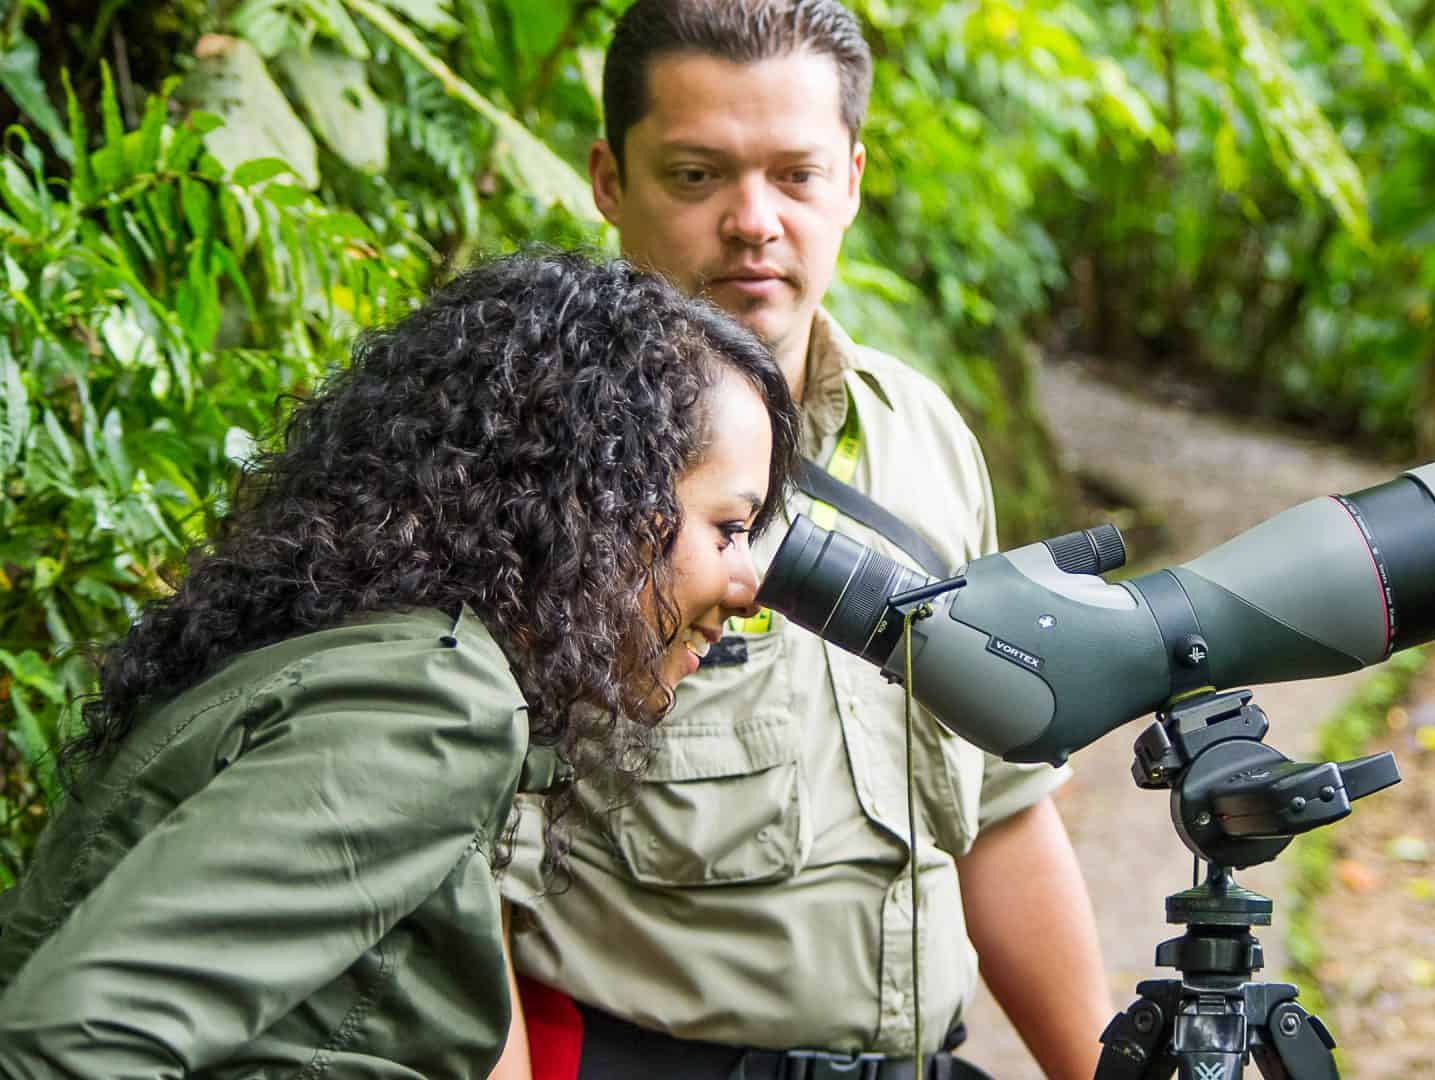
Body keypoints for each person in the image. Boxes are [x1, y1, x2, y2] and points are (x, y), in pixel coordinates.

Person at [0, 250, 797, 1078]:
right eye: (728, 530)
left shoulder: (372, 652)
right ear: (600, 499)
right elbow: (70, 1043)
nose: (748, 588)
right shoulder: (433, 704)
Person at [498, 3, 1111, 1078]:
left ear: (853, 180)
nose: (753, 221)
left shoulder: (919, 436)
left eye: (797, 175)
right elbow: (464, 891)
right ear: (608, 178)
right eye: (697, 175)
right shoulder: (525, 470)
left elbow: (1003, 814)